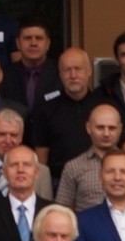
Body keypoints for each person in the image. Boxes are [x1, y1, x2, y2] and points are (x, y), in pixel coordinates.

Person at [54, 104, 125, 211]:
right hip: (88, 221)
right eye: (100, 127)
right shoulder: (73, 167)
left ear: (120, 129)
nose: (106, 133)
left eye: (112, 128)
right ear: (88, 128)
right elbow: (63, 210)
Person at [27, 47, 97, 183]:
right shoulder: (46, 107)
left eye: (78, 69)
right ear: (60, 74)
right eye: (67, 70)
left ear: (89, 71)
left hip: (97, 180)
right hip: (58, 181)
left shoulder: (103, 106)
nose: (73, 75)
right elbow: (41, 155)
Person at [0, 107, 51, 200]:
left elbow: (46, 207)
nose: (8, 141)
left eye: (13, 135)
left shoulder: (42, 172)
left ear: (21, 138)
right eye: (2, 134)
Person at [0, 19, 60, 111]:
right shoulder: (4, 76)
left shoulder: (60, 74)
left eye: (39, 38)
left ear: (48, 43)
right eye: (27, 38)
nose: (33, 43)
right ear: (18, 43)